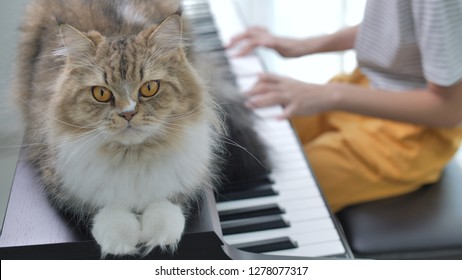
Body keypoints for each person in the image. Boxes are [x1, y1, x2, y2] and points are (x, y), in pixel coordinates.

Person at [227, 0, 462, 212]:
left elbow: (450, 109)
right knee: (245, 138)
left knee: (279, 187)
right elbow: (396, 27)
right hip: (363, 88)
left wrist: (330, 94)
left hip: (409, 135)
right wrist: (304, 45)